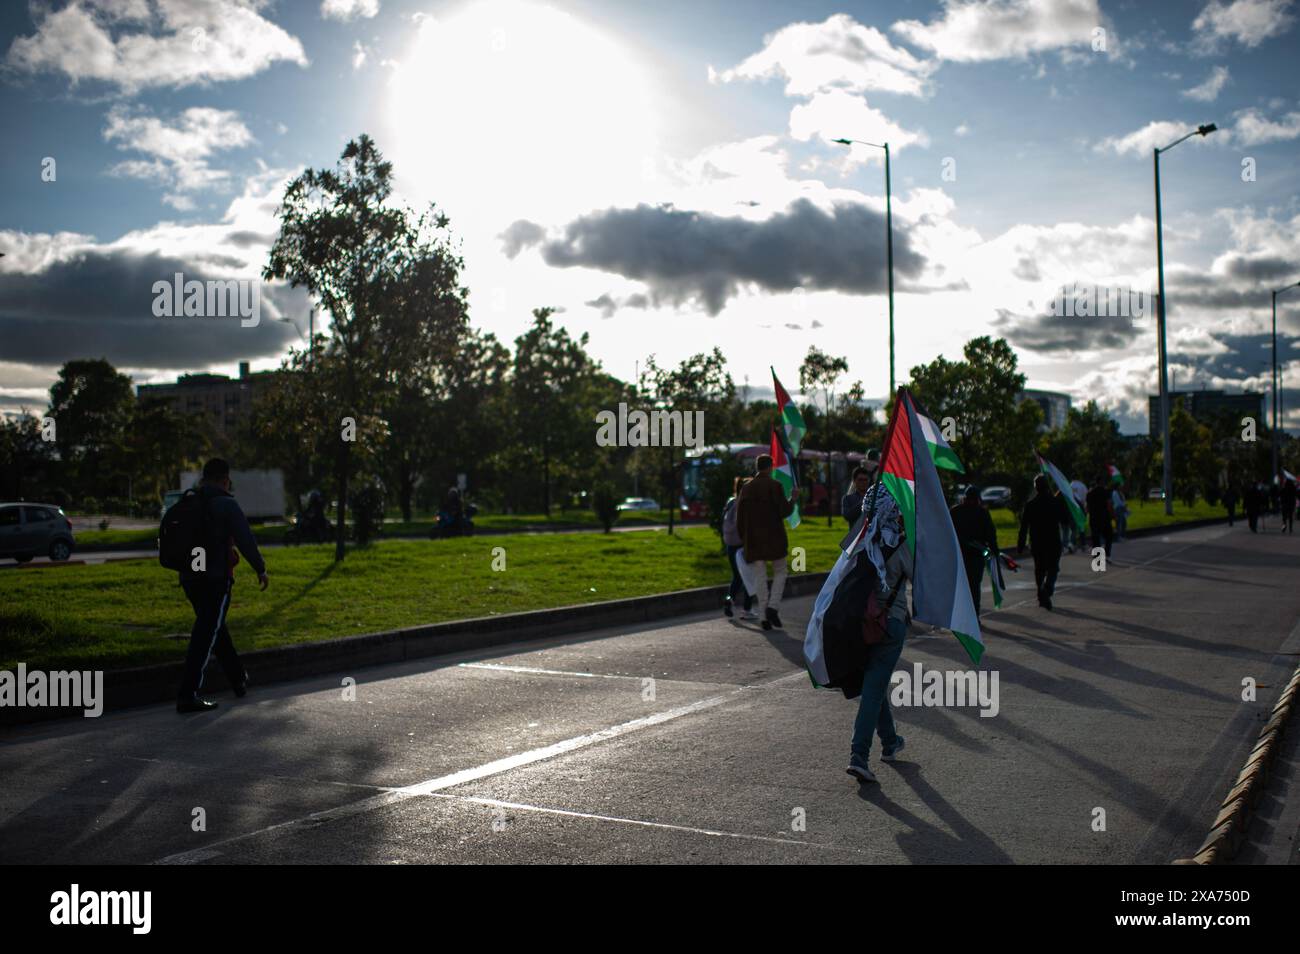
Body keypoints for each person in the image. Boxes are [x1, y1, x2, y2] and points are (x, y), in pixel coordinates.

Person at [177, 458, 268, 714]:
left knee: (215, 628)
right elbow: (245, 539)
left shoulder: (189, 500)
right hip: (216, 579)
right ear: (224, 480)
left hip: (190, 579)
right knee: (206, 634)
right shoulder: (226, 504)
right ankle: (188, 694)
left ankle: (238, 679)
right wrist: (260, 568)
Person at [847, 484, 911, 784]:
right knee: (873, 689)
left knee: (875, 683)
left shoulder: (856, 541)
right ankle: (858, 755)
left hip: (859, 624)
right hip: (891, 624)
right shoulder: (899, 543)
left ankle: (890, 741)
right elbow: (921, 580)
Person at [737, 454, 795, 630]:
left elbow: (740, 518)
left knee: (759, 577)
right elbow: (784, 511)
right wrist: (793, 499)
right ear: (770, 467)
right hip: (774, 538)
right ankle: (773, 606)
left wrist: (744, 538)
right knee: (781, 571)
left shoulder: (746, 489)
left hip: (753, 540)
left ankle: (763, 616)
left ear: (757, 467)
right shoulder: (775, 486)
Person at [1018, 474, 1070, 610]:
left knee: (1039, 569)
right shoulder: (1055, 502)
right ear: (1047, 486)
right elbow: (1065, 520)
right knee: (1053, 568)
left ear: (1036, 488)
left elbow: (1024, 527)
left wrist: (1020, 544)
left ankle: (1041, 595)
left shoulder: (1030, 505)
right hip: (1053, 542)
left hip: (1037, 543)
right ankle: (1046, 590)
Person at [950, 484, 998, 616]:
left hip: (960, 555)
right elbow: (991, 535)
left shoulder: (955, 511)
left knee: (963, 587)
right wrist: (995, 552)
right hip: (976, 556)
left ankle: (964, 615)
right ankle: (973, 615)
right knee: (974, 587)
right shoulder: (982, 512)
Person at [721, 477, 756, 619]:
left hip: (730, 545)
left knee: (737, 577)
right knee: (750, 577)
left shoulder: (731, 502)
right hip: (743, 546)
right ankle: (747, 610)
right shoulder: (746, 504)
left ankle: (729, 600)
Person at [1085, 474, 1115, 558]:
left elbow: (1087, 507)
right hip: (1104, 518)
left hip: (1093, 518)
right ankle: (1107, 553)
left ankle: (1097, 554)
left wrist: (1087, 515)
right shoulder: (1106, 492)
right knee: (1109, 536)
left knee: (1095, 537)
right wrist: (1113, 515)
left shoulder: (1090, 493)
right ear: (1102, 481)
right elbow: (1109, 505)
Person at [1067, 477, 1087, 553]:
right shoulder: (1082, 485)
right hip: (1080, 507)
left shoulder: (1069, 485)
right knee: (1081, 527)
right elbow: (1085, 497)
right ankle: (1083, 545)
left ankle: (1072, 544)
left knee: (1073, 528)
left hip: (1071, 507)